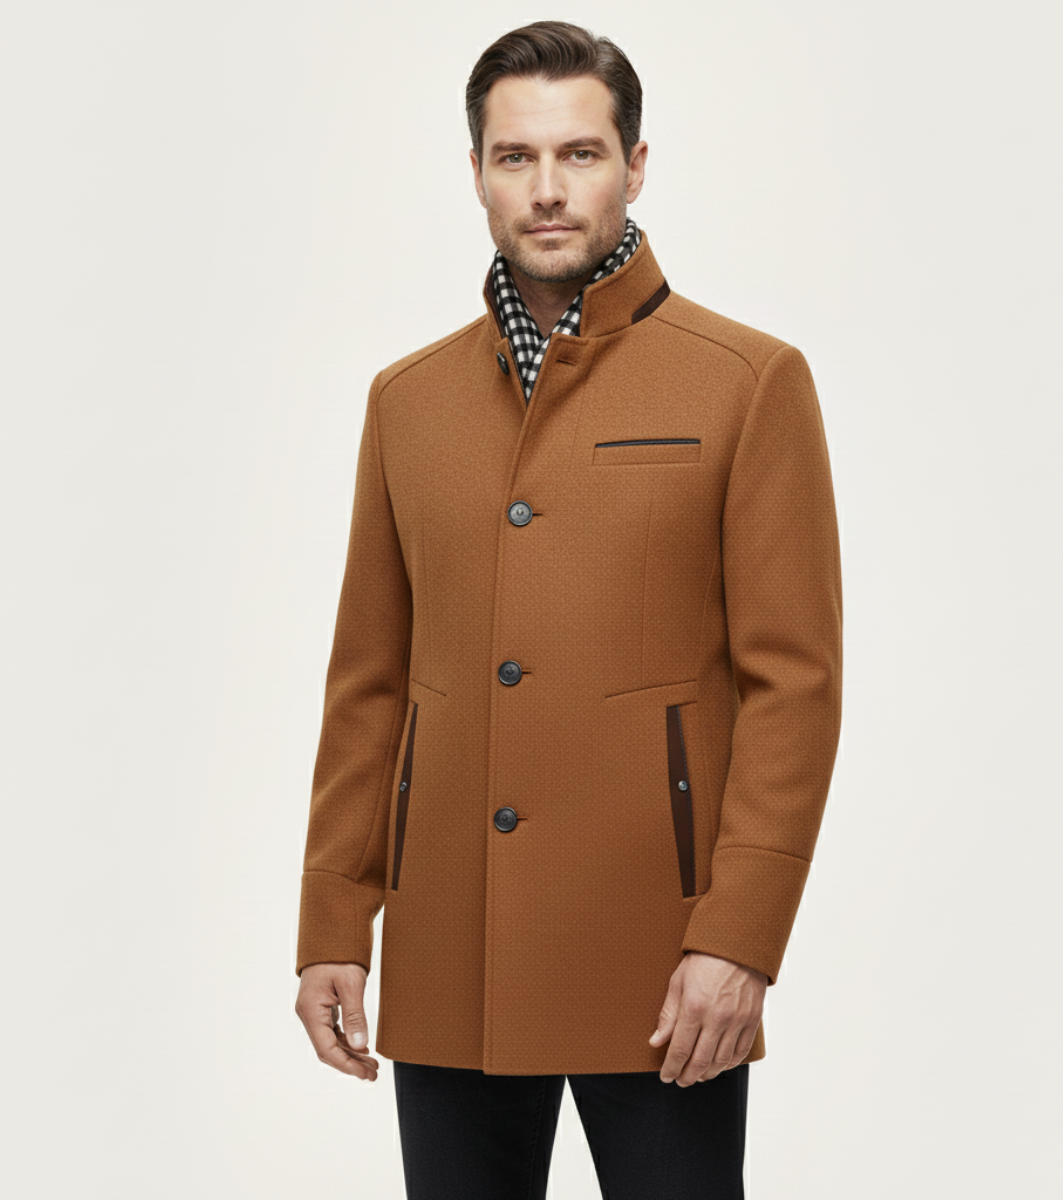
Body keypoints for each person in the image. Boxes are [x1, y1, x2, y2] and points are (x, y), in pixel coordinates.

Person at [293, 19, 843, 1199]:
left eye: (579, 154)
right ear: (478, 172)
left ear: (634, 165)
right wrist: (334, 921)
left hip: (661, 958)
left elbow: (794, 688)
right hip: (449, 945)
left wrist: (739, 938)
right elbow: (369, 683)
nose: (547, 189)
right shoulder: (407, 402)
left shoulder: (748, 382)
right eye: (517, 157)